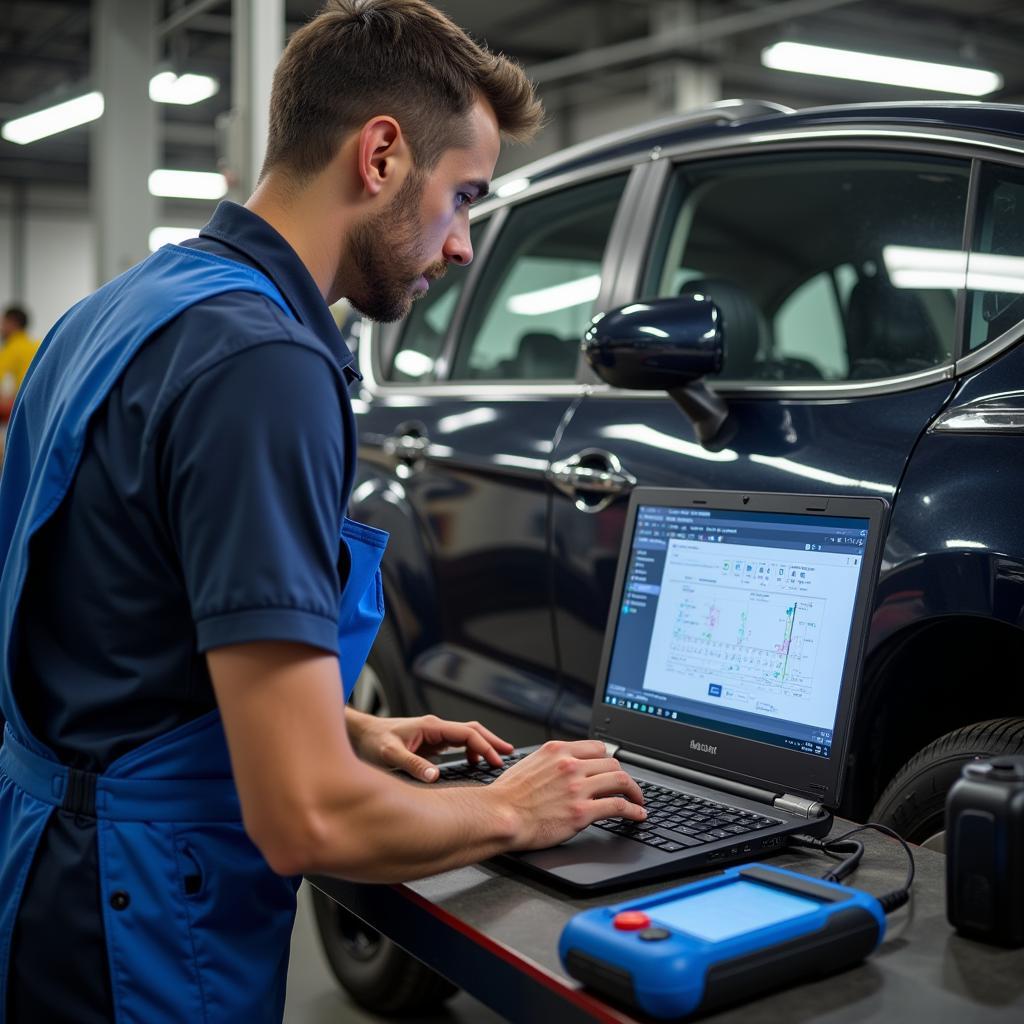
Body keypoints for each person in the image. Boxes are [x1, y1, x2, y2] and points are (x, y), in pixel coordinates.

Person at [0, 2, 646, 1022]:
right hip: (142, 920)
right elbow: (301, 818)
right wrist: (509, 808)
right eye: (464, 196)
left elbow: (113, 621)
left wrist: (332, 723)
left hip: (49, 877)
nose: (465, 244)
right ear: (381, 154)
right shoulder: (263, 364)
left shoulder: (119, 310)